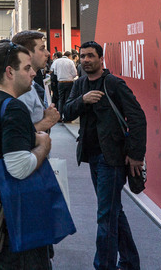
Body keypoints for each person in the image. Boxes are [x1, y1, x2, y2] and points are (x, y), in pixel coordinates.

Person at [0, 40, 54, 269]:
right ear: (9, 72)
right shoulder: (13, 107)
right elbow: (19, 167)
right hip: (11, 223)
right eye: (27, 68)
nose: (33, 73)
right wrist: (44, 145)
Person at [62, 40, 145, 270]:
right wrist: (83, 100)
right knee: (113, 212)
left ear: (101, 58)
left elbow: (137, 118)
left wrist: (136, 155)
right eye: (83, 56)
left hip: (113, 158)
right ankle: (130, 262)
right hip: (92, 156)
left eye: (91, 56)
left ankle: (104, 266)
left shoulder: (114, 84)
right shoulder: (80, 85)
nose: (86, 60)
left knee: (106, 215)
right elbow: (66, 112)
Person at [11, 31, 60, 133]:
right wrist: (47, 121)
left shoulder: (31, 85)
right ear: (26, 53)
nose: (47, 53)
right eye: (42, 49)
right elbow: (16, 134)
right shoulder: (20, 90)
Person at [51, 51, 78, 117]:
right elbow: (75, 73)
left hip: (60, 82)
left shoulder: (57, 61)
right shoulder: (70, 62)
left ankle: (59, 116)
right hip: (69, 82)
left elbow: (55, 72)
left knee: (61, 99)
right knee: (68, 99)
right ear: (69, 56)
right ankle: (66, 116)